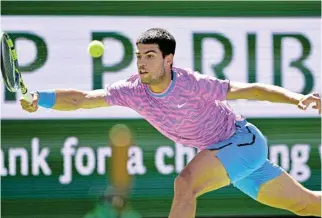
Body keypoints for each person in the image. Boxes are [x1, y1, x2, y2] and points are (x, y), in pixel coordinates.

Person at [20, 28, 321, 218]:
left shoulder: (191, 83)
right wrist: (39, 97)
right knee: (307, 206)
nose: (142, 62)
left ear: (168, 60)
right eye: (139, 55)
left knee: (185, 183)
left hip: (241, 142)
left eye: (150, 55)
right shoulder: (132, 90)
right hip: (228, 153)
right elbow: (82, 99)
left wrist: (296, 98)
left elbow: (252, 90)